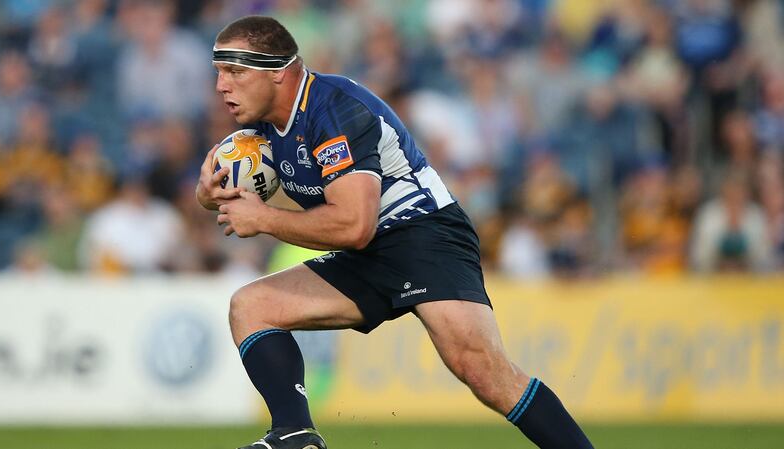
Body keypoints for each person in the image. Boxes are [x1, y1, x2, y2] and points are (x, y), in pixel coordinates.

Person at [196, 16, 593, 449]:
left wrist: (265, 218)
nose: (221, 86)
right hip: (370, 251)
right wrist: (208, 194)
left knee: (485, 373)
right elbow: (235, 200)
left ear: (278, 71)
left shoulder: (335, 110)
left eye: (235, 71)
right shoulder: (261, 132)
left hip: (423, 234)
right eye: (219, 72)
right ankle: (295, 435)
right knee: (251, 306)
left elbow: (354, 225)